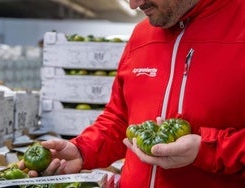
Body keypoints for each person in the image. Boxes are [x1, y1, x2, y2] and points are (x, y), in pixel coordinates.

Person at [19, 0, 245, 187]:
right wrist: (82, 150)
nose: (134, 4)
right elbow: (120, 118)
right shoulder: (141, 35)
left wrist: (208, 150)